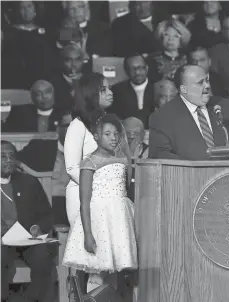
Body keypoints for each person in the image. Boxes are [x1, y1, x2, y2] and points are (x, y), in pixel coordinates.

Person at [63, 114, 137, 292]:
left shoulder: (122, 160)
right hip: (99, 219)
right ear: (96, 137)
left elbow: (127, 187)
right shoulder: (89, 162)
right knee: (98, 268)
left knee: (116, 269)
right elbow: (85, 200)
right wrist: (88, 234)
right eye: (107, 134)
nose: (113, 138)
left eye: (116, 134)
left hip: (119, 217)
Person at [149, 65, 229, 160]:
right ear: (183, 89)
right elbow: (160, 155)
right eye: (200, 83)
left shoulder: (224, 105)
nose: (207, 86)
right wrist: (193, 168)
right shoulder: (163, 117)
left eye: (207, 80)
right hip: (188, 183)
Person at [1, 141, 55, 302]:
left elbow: (46, 214)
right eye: (2, 156)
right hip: (2, 242)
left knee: (43, 256)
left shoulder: (28, 182)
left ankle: (35, 299)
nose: (8, 160)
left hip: (25, 238)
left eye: (11, 156)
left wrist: (37, 227)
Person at [64, 72, 113, 226]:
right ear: (91, 94)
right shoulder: (77, 125)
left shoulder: (109, 122)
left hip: (108, 195)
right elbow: (72, 167)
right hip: (83, 194)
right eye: (103, 89)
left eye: (109, 88)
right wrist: (98, 186)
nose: (110, 93)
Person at [107, 53, 155, 128]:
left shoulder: (156, 88)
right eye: (132, 69)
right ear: (126, 71)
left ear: (147, 68)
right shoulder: (116, 90)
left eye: (140, 68)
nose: (137, 72)